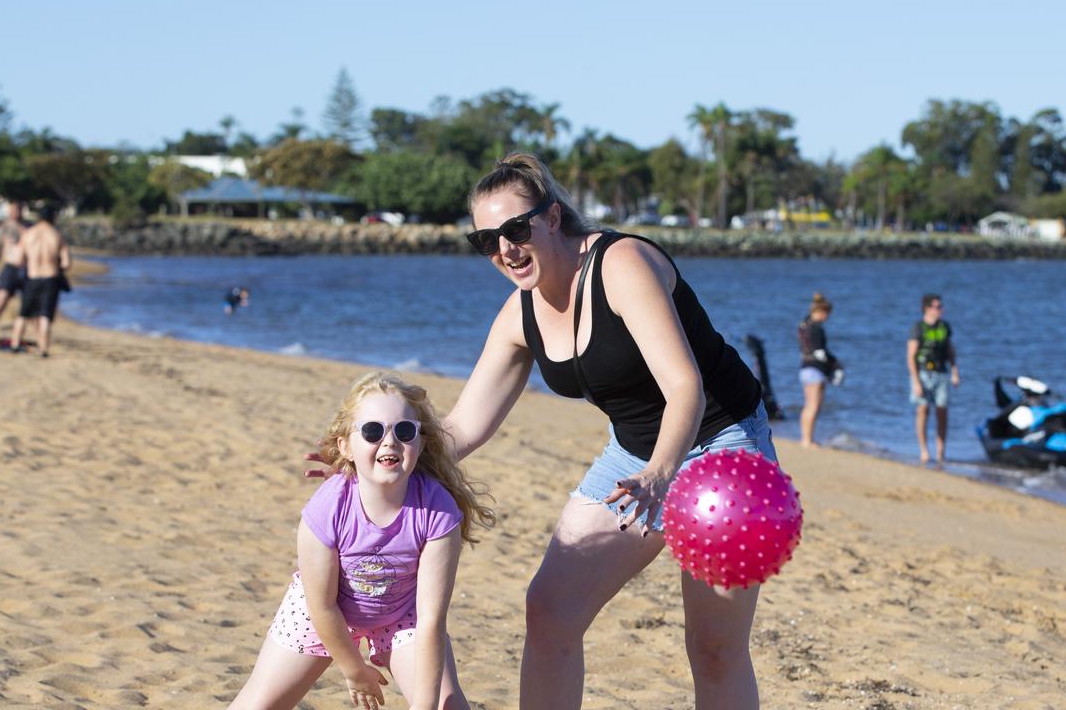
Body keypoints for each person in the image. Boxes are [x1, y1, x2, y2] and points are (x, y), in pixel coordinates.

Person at [431, 153, 775, 709]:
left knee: (714, 648)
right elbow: (463, 425)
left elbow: (684, 386)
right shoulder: (521, 313)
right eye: (486, 240)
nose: (504, 249)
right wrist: (371, 454)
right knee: (550, 612)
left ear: (551, 217)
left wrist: (662, 473)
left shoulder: (622, 264)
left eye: (515, 229)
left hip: (724, 446)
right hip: (633, 458)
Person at [231, 371, 493, 710]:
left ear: (421, 442)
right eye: (372, 431)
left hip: (403, 614)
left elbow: (430, 619)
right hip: (324, 611)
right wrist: (354, 670)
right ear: (346, 447)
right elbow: (322, 605)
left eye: (404, 430)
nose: (389, 442)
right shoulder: (327, 508)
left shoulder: (438, 510)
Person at [10, 204, 70, 357]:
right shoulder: (56, 235)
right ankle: (43, 348)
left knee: (23, 313)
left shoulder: (28, 234)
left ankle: (15, 344)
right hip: (50, 278)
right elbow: (66, 263)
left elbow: (17, 260)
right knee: (45, 315)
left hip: (33, 277)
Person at [907, 293, 960, 463]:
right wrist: (915, 381)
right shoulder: (918, 327)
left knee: (942, 411)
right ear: (927, 308)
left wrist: (955, 371)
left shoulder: (944, 327)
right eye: (936, 307)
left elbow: (950, 351)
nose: (940, 310)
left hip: (941, 373)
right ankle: (923, 451)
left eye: (940, 307)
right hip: (923, 373)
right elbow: (910, 356)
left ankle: (941, 452)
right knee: (923, 409)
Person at [797, 292, 843, 448]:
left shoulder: (804, 324)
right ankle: (808, 440)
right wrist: (835, 366)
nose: (827, 318)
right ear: (822, 312)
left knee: (807, 404)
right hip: (815, 370)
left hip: (804, 368)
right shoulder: (816, 328)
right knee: (814, 405)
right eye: (827, 314)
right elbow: (820, 353)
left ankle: (805, 438)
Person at [0, 202, 27, 347]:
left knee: (27, 306)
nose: (16, 212)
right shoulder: (3, 229)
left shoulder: (27, 229)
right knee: (0, 302)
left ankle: (17, 339)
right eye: (14, 209)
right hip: (9, 269)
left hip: (26, 270)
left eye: (19, 209)